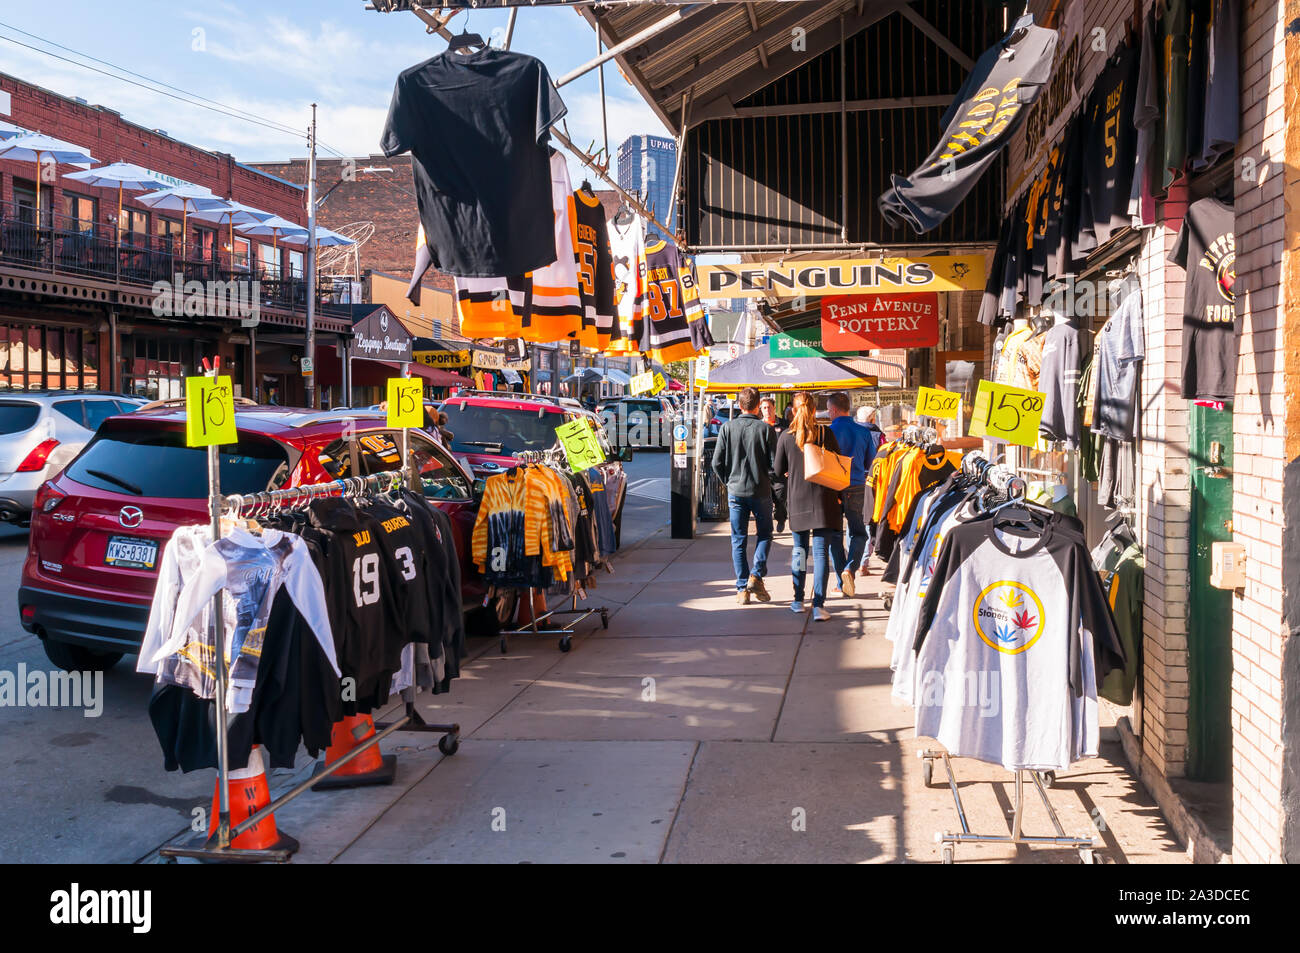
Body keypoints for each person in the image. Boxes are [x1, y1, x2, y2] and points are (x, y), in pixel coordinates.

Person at [774, 392, 846, 622]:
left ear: (793, 411)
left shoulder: (786, 436)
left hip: (797, 500)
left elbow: (777, 471)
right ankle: (819, 605)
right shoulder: (826, 432)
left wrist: (790, 471)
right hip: (824, 501)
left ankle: (797, 600)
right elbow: (837, 462)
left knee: (799, 551)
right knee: (821, 553)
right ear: (815, 410)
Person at [711, 386, 776, 605]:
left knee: (738, 540)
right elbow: (775, 465)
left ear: (740, 405)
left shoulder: (727, 428)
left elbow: (716, 462)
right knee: (765, 534)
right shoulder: (765, 430)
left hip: (736, 491)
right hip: (760, 490)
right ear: (759, 406)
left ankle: (742, 588)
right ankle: (756, 575)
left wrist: (728, 482)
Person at [827, 392, 875, 597]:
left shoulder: (828, 432)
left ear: (835, 410)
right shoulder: (863, 432)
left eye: (829, 410)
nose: (828, 414)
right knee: (859, 533)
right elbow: (869, 463)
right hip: (856, 486)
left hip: (832, 487)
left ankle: (841, 581)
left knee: (834, 536)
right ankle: (850, 570)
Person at [759, 396, 788, 533]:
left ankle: (781, 518)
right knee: (764, 501)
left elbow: (790, 447)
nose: (767, 410)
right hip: (763, 471)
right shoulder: (758, 426)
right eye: (764, 408)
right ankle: (765, 526)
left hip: (780, 469)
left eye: (769, 407)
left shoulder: (784, 425)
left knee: (781, 498)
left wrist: (789, 467)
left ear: (774, 408)